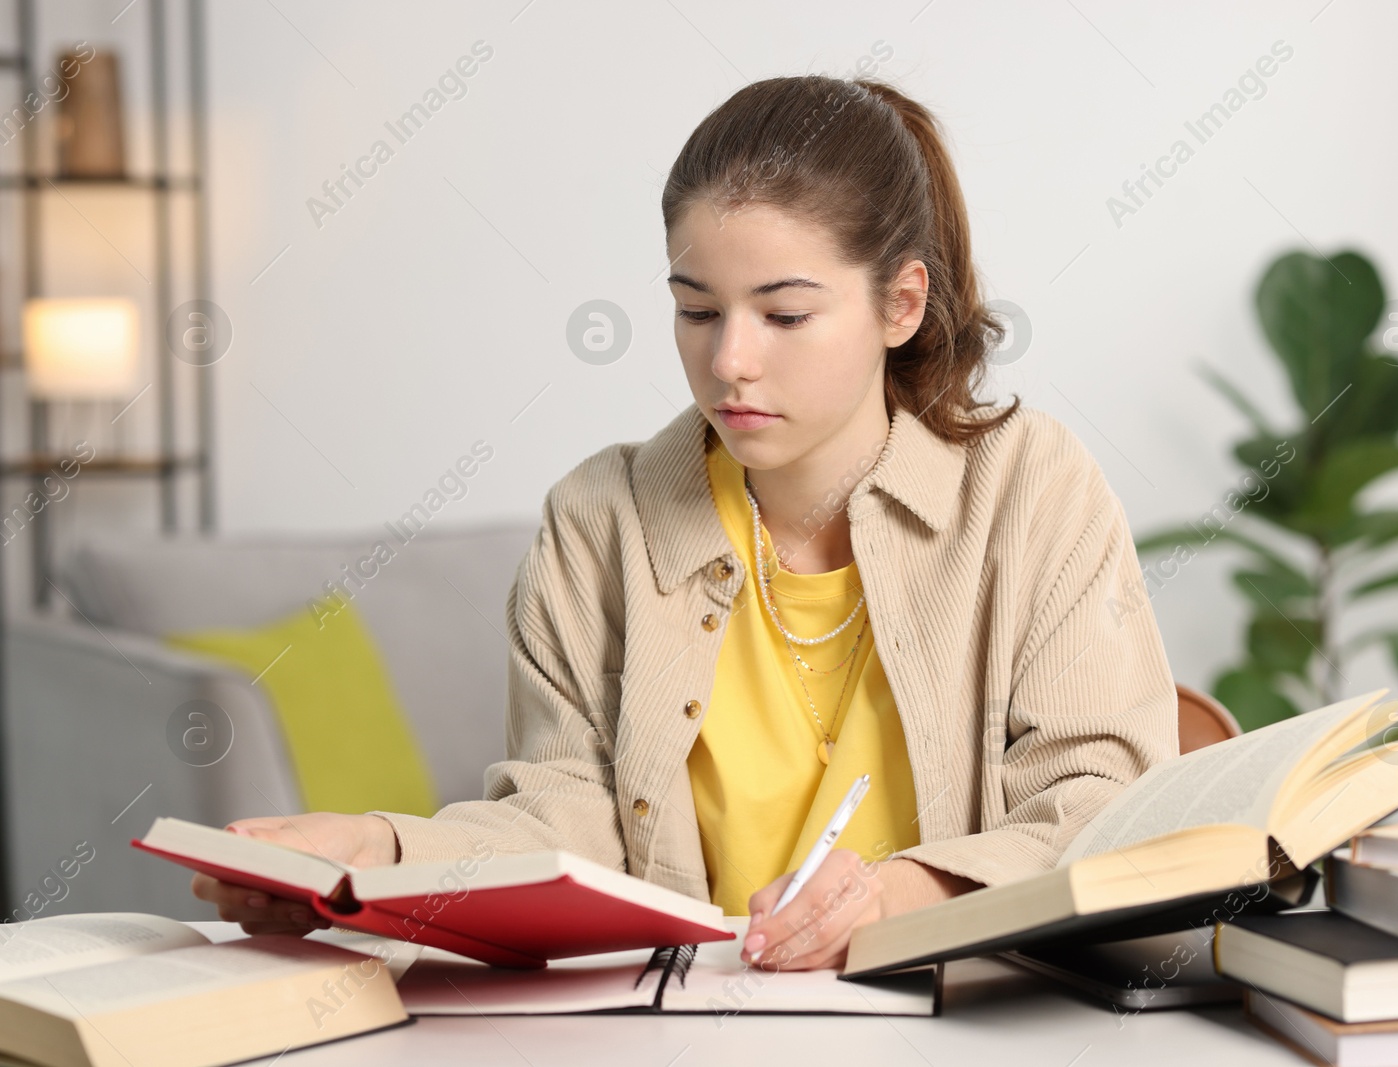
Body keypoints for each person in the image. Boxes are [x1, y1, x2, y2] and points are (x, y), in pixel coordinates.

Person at [193, 74, 1179, 972]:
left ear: (901, 303)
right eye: (697, 310)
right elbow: (562, 818)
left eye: (783, 315)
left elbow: (1102, 806)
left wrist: (891, 898)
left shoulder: (1030, 489)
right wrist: (382, 849)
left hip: (965, 1022)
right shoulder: (597, 521)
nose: (729, 362)